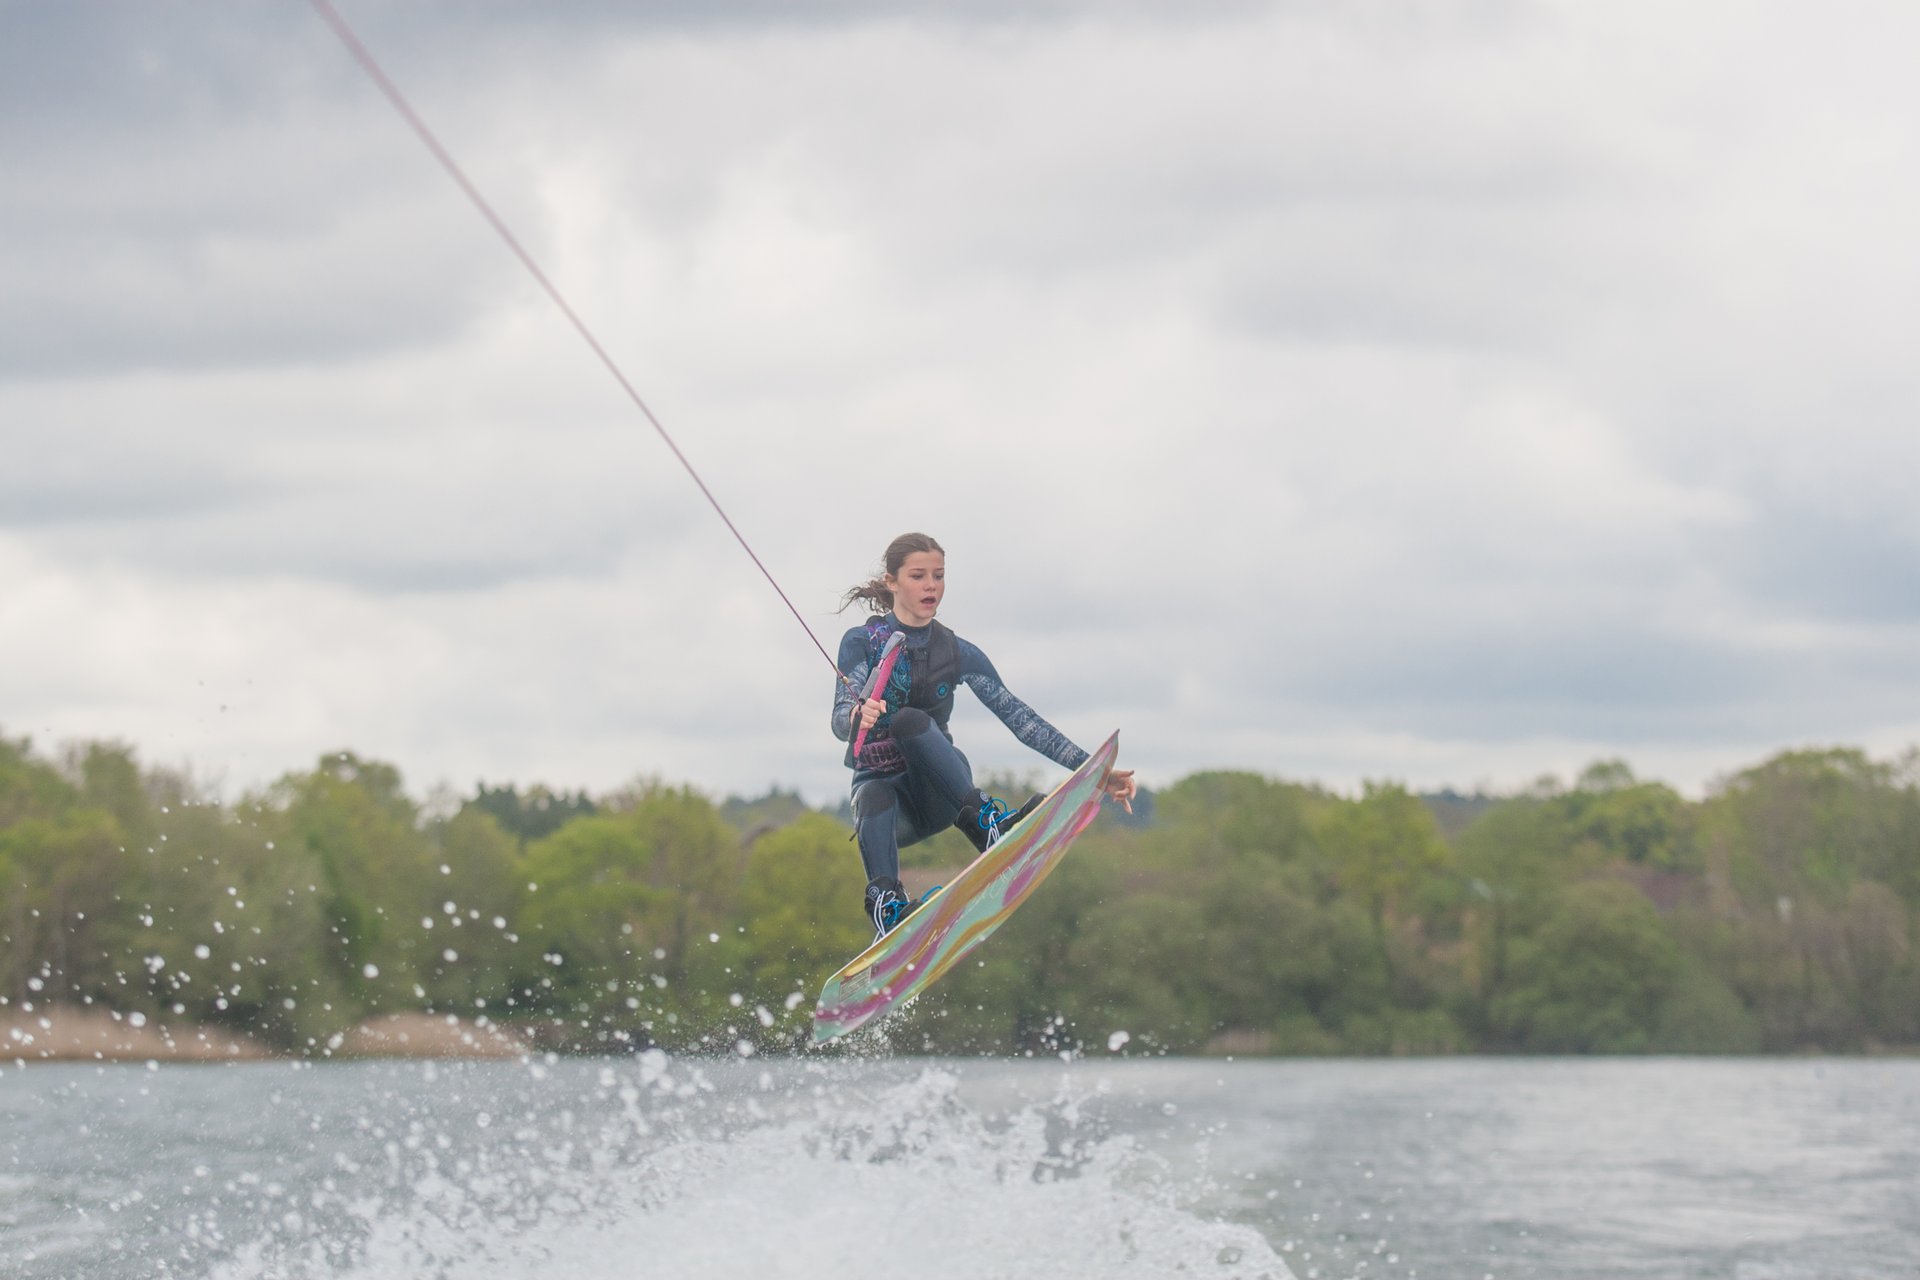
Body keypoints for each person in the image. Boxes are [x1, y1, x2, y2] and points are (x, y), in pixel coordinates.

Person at [833, 532, 1137, 939]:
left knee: (909, 720)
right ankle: (888, 907)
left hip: (943, 797)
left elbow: (1020, 719)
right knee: (870, 791)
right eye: (918, 576)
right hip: (891, 817)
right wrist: (856, 712)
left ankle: (987, 825)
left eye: (938, 576)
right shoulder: (862, 643)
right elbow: (839, 721)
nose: (931, 586)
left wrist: (1092, 772)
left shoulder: (957, 652)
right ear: (892, 582)